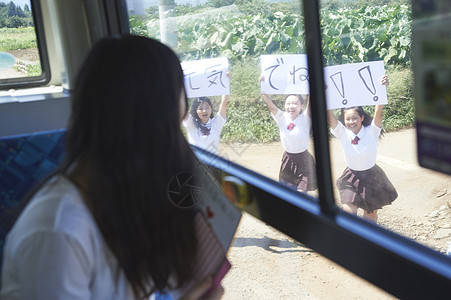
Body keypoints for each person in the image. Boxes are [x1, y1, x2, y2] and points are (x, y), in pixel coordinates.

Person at [1, 35, 224, 300]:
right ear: (148, 122)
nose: (186, 115)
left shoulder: (122, 199)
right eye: (175, 116)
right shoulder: (59, 232)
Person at [327, 75, 398, 223]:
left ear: (361, 118)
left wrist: (381, 89)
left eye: (354, 118)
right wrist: (326, 93)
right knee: (348, 215)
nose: (351, 122)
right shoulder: (342, 132)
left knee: (370, 217)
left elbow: (378, 111)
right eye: (347, 119)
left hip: (372, 177)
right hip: (350, 176)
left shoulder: (372, 131)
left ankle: (369, 241)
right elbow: (330, 116)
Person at [260, 76, 317, 192]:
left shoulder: (305, 118)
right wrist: (263, 85)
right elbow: (270, 105)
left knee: (302, 193)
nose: (291, 106)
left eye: (295, 103)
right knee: (289, 193)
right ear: (285, 105)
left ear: (301, 106)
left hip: (304, 160)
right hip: (288, 160)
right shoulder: (281, 117)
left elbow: (311, 102)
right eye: (288, 103)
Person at [183, 74, 230, 155]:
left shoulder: (216, 123)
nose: (204, 110)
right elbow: (182, 108)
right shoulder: (191, 125)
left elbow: (224, 104)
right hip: (195, 164)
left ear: (211, 109)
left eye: (207, 107)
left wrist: (226, 81)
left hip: (211, 164)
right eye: (200, 108)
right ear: (195, 111)